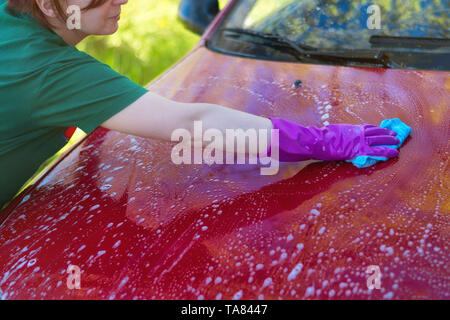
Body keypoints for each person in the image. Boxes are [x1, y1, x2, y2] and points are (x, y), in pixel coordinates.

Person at [0, 0, 400, 210]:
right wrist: (327, 141)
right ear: (49, 6)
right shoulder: (49, 72)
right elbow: (193, 123)